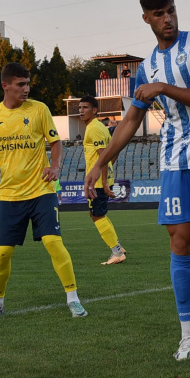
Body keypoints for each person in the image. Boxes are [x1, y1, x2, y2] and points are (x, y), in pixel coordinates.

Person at [84, 0, 190, 361]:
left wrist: (164, 87)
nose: (167, 20)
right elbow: (131, 120)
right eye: (158, 14)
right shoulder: (146, 67)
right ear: (146, 18)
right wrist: (101, 162)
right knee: (180, 245)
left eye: (170, 11)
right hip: (173, 161)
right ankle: (188, 333)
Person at [0, 62, 87, 319]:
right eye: (21, 84)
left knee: (53, 243)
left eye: (28, 84)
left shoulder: (39, 110)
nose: (26, 89)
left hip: (41, 190)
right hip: (10, 195)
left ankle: (73, 298)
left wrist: (55, 166)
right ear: (5, 86)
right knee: (2, 253)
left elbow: (55, 142)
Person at [79, 95, 126, 264]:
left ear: (94, 110)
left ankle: (117, 252)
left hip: (98, 181)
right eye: (80, 107)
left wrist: (104, 182)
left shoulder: (94, 128)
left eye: (85, 107)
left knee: (97, 215)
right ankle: (118, 247)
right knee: (97, 214)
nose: (81, 111)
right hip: (100, 179)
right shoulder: (99, 126)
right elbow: (112, 152)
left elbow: (103, 156)